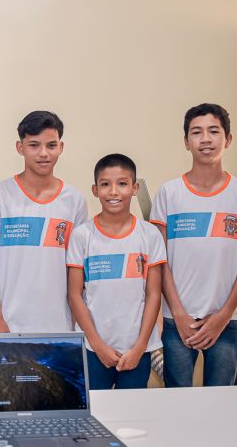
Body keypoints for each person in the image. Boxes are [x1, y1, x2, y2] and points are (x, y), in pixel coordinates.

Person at [150, 103, 237, 387]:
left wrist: (224, 315)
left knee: (221, 401)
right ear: (186, 141)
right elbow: (159, 261)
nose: (205, 139)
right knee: (177, 400)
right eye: (196, 132)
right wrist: (178, 313)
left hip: (226, 320)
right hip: (177, 320)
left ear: (228, 139)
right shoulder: (169, 193)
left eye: (214, 131)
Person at [67, 154, 166, 389]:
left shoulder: (149, 234)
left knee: (131, 409)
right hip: (94, 349)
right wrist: (98, 345)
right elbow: (74, 294)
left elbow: (154, 294)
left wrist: (140, 347)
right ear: (95, 190)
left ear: (135, 188)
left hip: (137, 350)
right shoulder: (82, 235)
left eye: (122, 183)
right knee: (96, 408)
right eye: (105, 184)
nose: (113, 192)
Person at [0, 111, 87, 333]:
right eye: (34, 145)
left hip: (59, 323)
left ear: (61, 147)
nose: (43, 153)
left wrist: (77, 321)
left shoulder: (75, 200)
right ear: (20, 148)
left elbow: (76, 268)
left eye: (51, 145)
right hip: (8, 321)